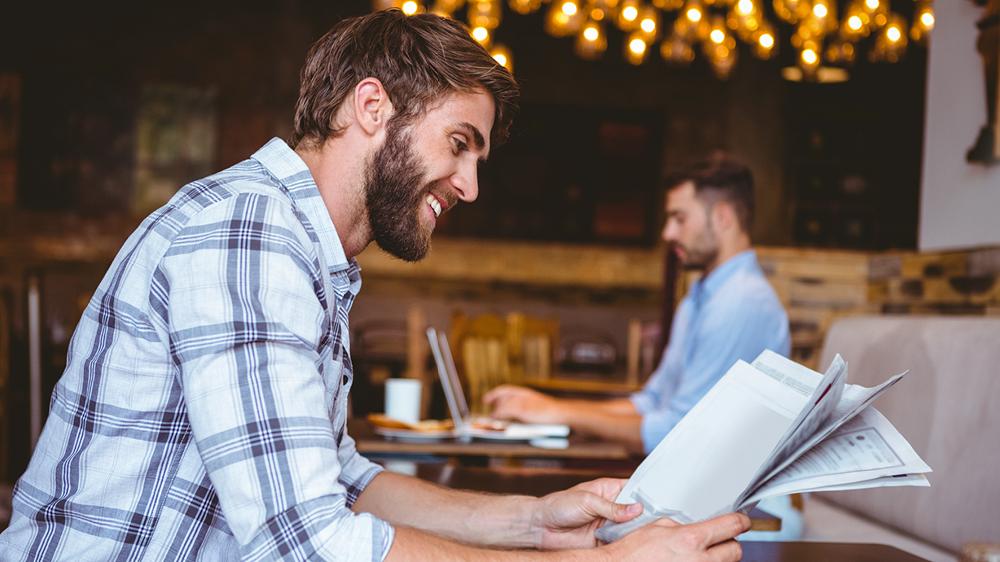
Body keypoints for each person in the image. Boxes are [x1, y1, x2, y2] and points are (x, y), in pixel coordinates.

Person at [0, 11, 750, 561]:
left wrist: (534, 521)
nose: (470, 185)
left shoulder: (298, 246)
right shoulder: (250, 236)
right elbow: (308, 543)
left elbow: (341, 482)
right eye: (460, 145)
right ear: (371, 107)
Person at [485, 158, 790, 454]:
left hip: (727, 502)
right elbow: (652, 402)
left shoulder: (740, 302)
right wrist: (545, 409)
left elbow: (681, 435)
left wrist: (558, 412)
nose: (667, 233)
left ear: (723, 218)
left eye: (679, 218)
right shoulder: (703, 293)